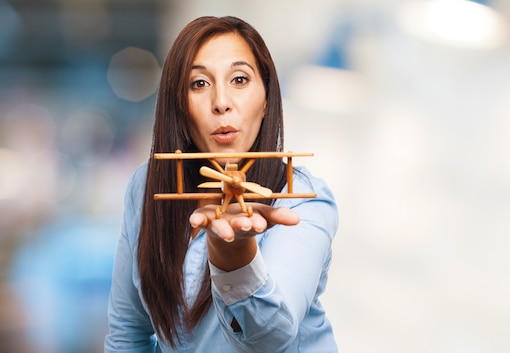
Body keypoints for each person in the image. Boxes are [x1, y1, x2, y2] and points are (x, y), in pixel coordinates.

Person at [104, 16, 339, 353]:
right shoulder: (146, 187)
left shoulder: (302, 200)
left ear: (267, 100)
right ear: (179, 107)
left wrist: (235, 258)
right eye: (199, 84)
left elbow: (272, 339)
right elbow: (127, 332)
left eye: (240, 79)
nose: (221, 102)